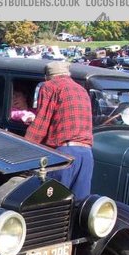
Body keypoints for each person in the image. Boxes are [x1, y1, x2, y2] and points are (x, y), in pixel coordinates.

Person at [24, 61, 93, 200]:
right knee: (79, 204)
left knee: (54, 202)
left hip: (65, 153)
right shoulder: (81, 89)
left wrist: (24, 147)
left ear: (47, 76)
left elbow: (42, 121)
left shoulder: (50, 86)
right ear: (68, 74)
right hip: (87, 154)